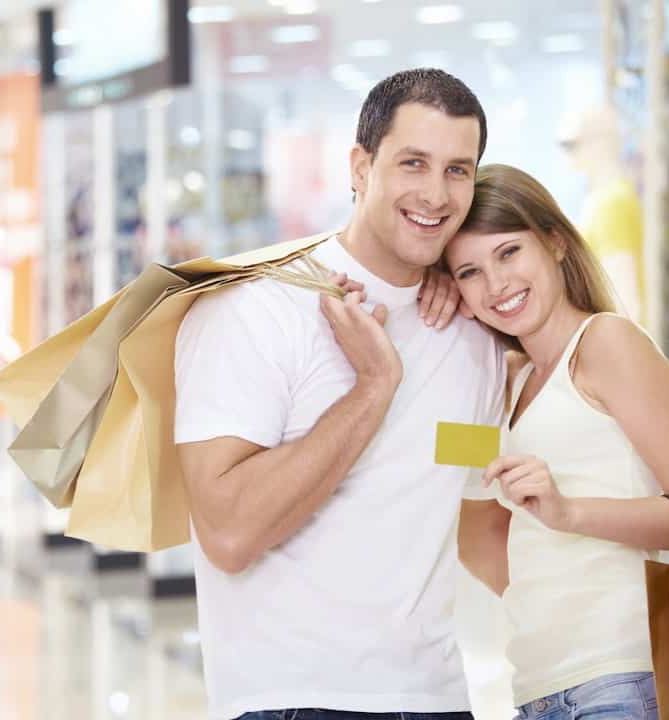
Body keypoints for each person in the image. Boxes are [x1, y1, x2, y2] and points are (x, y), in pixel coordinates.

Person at [174, 68, 504, 720]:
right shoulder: (256, 310)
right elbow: (229, 533)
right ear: (360, 165)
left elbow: (459, 478)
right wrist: (373, 388)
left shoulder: (474, 337)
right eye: (413, 162)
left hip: (439, 698)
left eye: (458, 170)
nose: (435, 194)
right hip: (294, 700)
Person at [446, 164, 669, 720]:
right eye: (468, 272)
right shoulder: (500, 384)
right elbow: (474, 528)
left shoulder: (606, 343)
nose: (496, 284)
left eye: (509, 253)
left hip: (623, 678)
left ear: (555, 242)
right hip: (537, 686)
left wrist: (568, 511)